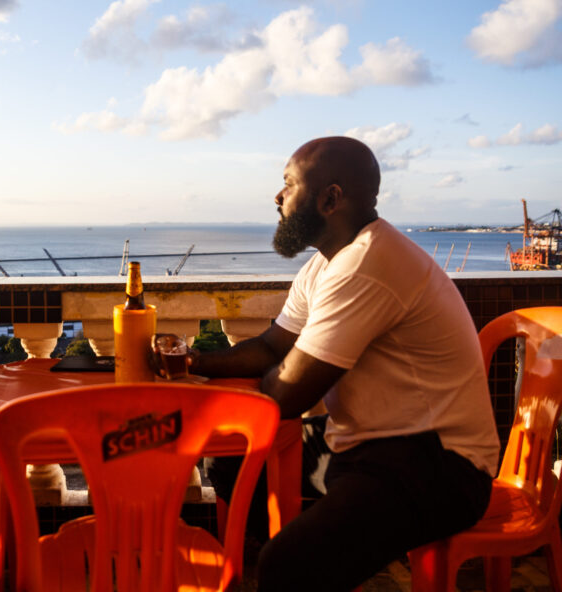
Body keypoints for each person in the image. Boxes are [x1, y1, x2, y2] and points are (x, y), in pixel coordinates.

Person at [186, 136, 500, 591]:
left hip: (439, 464)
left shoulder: (367, 263)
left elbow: (287, 394)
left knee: (288, 564)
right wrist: (193, 362)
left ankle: (317, 551)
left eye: (288, 184)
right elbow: (273, 348)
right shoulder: (324, 266)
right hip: (369, 444)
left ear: (330, 198)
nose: (277, 197)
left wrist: (212, 394)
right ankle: (334, 545)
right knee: (229, 462)